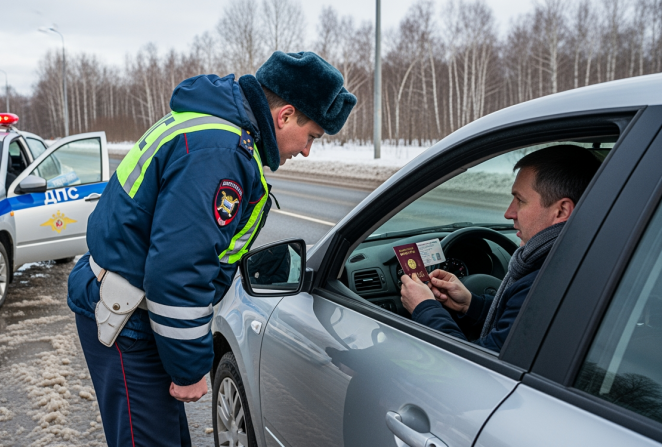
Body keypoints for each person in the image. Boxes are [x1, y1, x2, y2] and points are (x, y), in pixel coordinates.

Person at [68, 51, 356, 446]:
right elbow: (179, 269)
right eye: (312, 137)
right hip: (127, 319)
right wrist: (189, 369)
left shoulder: (213, 128)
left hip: (131, 308)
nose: (306, 151)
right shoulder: (221, 151)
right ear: (285, 115)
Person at [400, 145, 601, 352]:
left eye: (520, 200)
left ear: (561, 211)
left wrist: (424, 308)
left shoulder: (543, 284)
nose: (508, 213)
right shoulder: (583, 259)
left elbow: (476, 362)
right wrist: (470, 305)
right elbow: (516, 326)